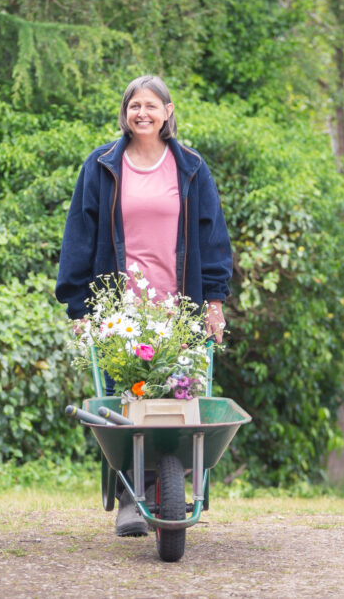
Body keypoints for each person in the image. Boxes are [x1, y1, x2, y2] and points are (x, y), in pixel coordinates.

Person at [55, 75, 233, 536]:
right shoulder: (102, 166)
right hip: (122, 313)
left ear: (168, 112)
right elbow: (79, 235)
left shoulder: (191, 167)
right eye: (135, 105)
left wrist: (213, 302)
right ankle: (130, 499)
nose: (143, 113)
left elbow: (213, 239)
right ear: (125, 112)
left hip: (180, 309)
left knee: (176, 402)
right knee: (127, 401)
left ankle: (165, 491)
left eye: (152, 105)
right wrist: (80, 309)